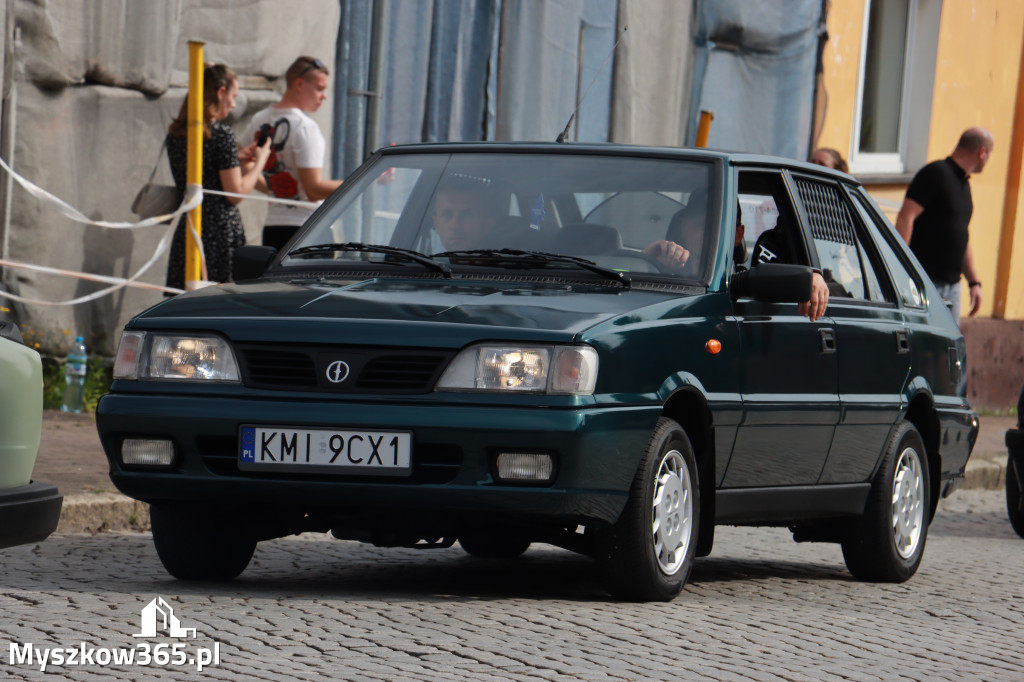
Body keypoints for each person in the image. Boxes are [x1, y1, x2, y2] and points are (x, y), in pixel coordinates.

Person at [164, 63, 272, 292]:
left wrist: (235, 158)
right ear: (220, 92)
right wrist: (260, 161)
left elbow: (204, 170)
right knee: (219, 298)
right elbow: (235, 194)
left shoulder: (176, 133)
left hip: (190, 224)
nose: (234, 104)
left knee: (185, 299)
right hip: (219, 230)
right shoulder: (221, 135)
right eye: (233, 96)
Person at [242, 56, 343, 251]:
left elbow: (240, 161)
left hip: (273, 229)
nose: (324, 96)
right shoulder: (305, 128)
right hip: (306, 229)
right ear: (299, 84)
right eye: (320, 89)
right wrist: (363, 181)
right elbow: (313, 189)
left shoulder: (260, 119)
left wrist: (274, 189)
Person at [894, 126, 993, 320]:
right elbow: (906, 216)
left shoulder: (964, 184)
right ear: (982, 152)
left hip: (952, 286)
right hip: (924, 281)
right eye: (990, 153)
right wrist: (901, 267)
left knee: (949, 347)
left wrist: (974, 282)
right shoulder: (935, 173)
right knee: (924, 345)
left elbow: (961, 234)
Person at [430, 179, 497, 251]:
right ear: (436, 223)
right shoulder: (422, 261)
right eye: (447, 215)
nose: (455, 225)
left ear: (487, 224)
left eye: (466, 215)